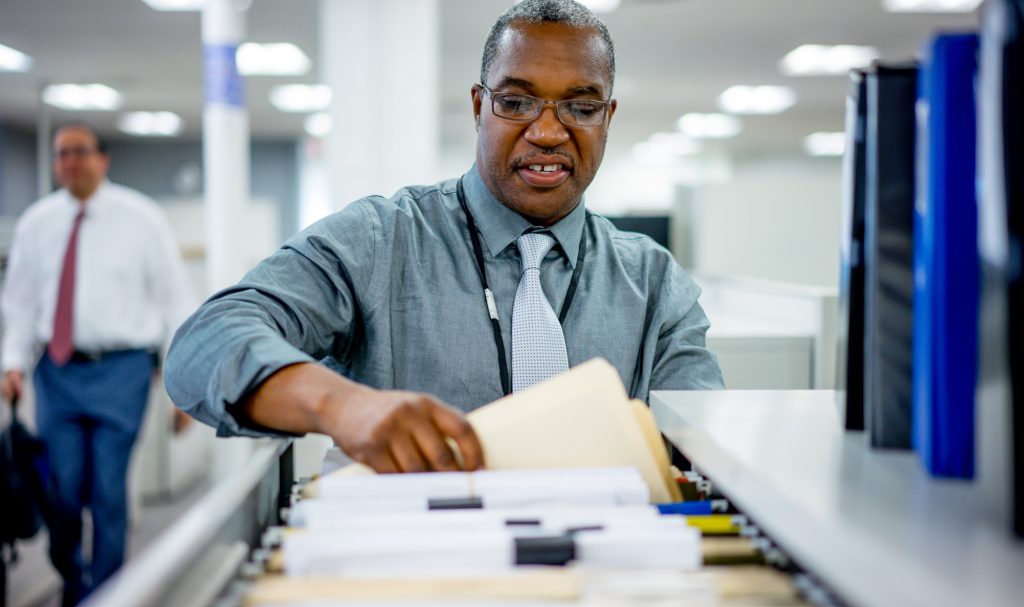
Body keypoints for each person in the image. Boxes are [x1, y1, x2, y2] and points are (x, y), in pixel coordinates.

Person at [165, 0, 723, 475]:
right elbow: (204, 343)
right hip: (414, 576)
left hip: (595, 578)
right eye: (516, 101)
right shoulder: (381, 241)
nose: (549, 131)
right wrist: (340, 404)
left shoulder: (654, 284)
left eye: (580, 107)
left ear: (608, 117)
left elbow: (705, 446)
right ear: (480, 107)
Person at [0, 122, 195, 607]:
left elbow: (176, 299)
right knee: (63, 492)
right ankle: (74, 580)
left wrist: (185, 384)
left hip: (122, 371)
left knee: (107, 492)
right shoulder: (37, 223)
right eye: (60, 154)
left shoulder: (141, 218)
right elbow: (20, 303)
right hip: (57, 372)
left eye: (79, 152)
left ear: (102, 159)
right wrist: (12, 362)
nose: (69, 162)